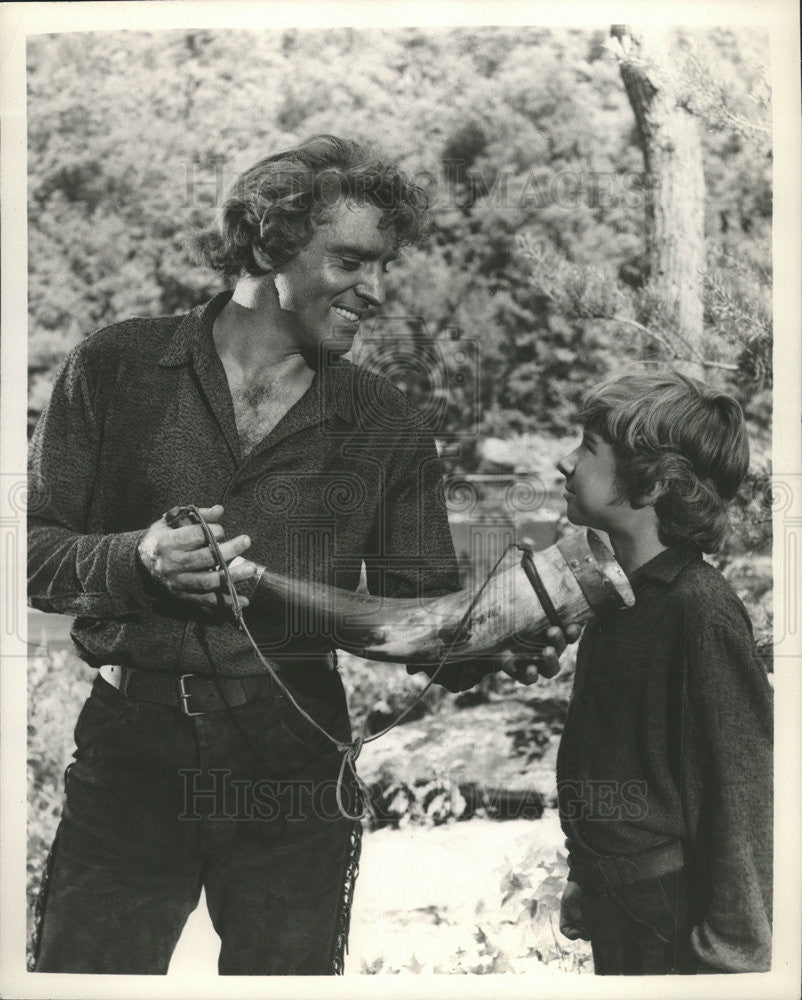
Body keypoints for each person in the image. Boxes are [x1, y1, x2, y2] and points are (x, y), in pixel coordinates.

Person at [28, 134, 566, 975]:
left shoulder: (387, 422)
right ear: (269, 242)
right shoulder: (117, 365)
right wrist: (138, 558)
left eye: (384, 265)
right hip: (130, 752)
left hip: (297, 761)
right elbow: (31, 553)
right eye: (351, 260)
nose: (376, 290)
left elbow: (421, 621)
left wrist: (497, 639)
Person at [555, 368, 773, 974]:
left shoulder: (701, 610)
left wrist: (733, 957)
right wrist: (585, 876)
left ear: (653, 484)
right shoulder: (625, 601)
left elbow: (742, 795)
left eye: (589, 449)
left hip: (671, 922)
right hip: (620, 903)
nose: (565, 462)